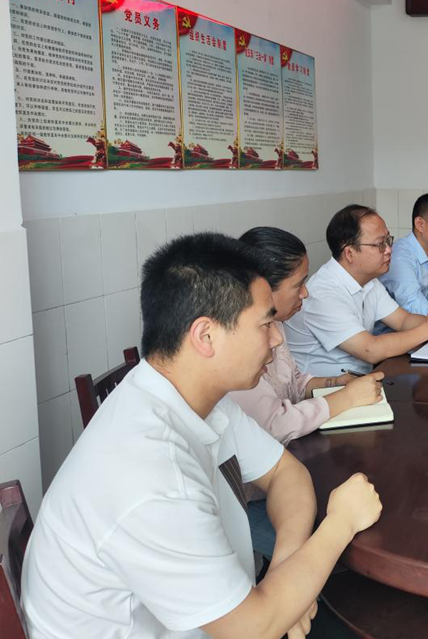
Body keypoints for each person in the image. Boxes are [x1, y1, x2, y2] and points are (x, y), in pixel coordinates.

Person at [21, 232, 383, 639]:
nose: (278, 337)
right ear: (205, 336)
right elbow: (252, 629)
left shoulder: (193, 395)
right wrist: (341, 522)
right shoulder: (150, 474)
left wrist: (286, 576)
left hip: (231, 610)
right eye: (266, 323)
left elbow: (286, 473)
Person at [229, 226, 385, 559]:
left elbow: (294, 380)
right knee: (341, 547)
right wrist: (346, 400)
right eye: (298, 284)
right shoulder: (238, 347)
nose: (306, 293)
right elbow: (275, 425)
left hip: (286, 472)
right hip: (248, 499)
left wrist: (336, 383)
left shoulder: (275, 324)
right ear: (263, 288)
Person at [285, 204, 428, 376]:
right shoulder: (322, 293)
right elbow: (371, 349)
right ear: (349, 253)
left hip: (362, 380)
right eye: (380, 244)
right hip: (326, 388)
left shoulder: (369, 281)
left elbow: (403, 320)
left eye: (388, 240)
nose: (389, 250)